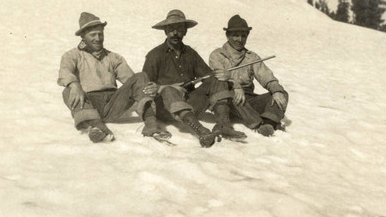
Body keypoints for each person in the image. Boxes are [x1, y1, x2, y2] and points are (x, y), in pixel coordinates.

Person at [58, 12, 170, 143]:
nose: (98, 38)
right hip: (88, 102)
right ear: (82, 36)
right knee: (67, 91)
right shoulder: (72, 55)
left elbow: (132, 80)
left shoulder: (113, 57)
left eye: (100, 34)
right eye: (93, 35)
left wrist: (146, 86)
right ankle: (97, 127)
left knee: (141, 77)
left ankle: (151, 125)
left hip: (113, 103)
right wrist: (74, 85)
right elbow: (65, 72)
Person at [142, 10, 246, 148]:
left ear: (185, 31)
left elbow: (209, 76)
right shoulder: (154, 55)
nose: (175, 33)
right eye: (171, 29)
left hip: (190, 104)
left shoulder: (190, 53)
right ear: (165, 31)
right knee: (168, 90)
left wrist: (231, 80)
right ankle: (201, 132)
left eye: (179, 29)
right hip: (166, 109)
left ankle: (224, 126)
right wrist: (165, 88)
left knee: (216, 79)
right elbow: (144, 88)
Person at [209, 15, 289, 136]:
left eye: (243, 36)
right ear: (228, 35)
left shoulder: (251, 57)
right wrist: (236, 85)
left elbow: (266, 76)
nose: (239, 39)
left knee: (282, 93)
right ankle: (256, 122)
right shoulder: (217, 55)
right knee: (229, 95)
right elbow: (220, 77)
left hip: (248, 99)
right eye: (235, 35)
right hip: (228, 99)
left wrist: (276, 90)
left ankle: (268, 124)